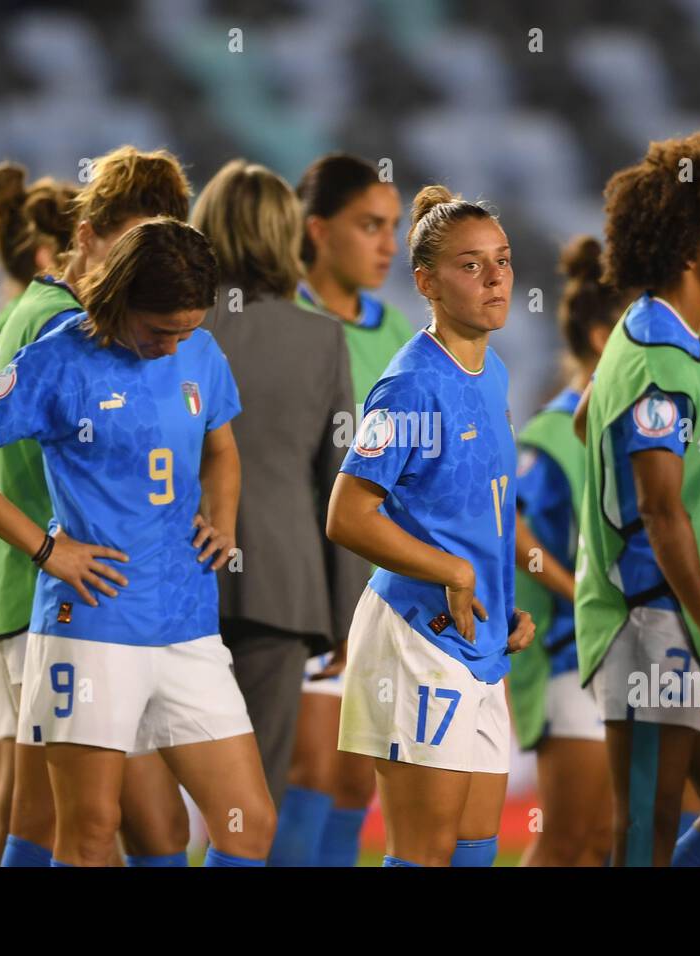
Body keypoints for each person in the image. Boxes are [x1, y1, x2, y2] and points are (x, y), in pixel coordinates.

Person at [0, 218, 276, 867]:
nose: (173, 347)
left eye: (186, 329)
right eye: (159, 330)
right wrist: (46, 550)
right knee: (85, 833)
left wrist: (222, 518)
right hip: (91, 627)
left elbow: (222, 449)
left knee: (248, 823)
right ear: (117, 298)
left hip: (188, 626)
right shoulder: (57, 358)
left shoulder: (200, 351)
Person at [0, 145, 194, 866]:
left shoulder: (51, 312)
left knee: (82, 821)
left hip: (59, 599)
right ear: (87, 235)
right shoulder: (64, 326)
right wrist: (47, 549)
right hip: (62, 603)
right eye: (135, 246)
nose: (148, 270)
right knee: (69, 825)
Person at [327, 185, 535, 867]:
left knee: (475, 849)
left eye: (502, 260)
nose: (496, 277)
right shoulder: (411, 384)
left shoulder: (492, 370)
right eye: (472, 265)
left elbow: (477, 513)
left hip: (477, 638)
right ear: (427, 283)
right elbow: (347, 514)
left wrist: (505, 603)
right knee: (422, 854)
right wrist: (450, 571)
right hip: (417, 639)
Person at [575, 123, 700, 867]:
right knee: (643, 834)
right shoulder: (658, 354)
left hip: (685, 621)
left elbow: (591, 412)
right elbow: (659, 508)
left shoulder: (668, 338)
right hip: (653, 624)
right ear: (691, 247)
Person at [192, 159, 367, 811]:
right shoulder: (322, 339)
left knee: (144, 787)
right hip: (283, 588)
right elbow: (339, 481)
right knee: (252, 791)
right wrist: (349, 614)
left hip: (174, 573)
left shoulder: (175, 327)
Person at [270, 152, 412, 866]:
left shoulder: (401, 342)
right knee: (310, 770)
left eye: (394, 227)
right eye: (370, 225)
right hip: (297, 579)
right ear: (318, 230)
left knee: (358, 777)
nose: (389, 243)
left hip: (376, 588)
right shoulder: (278, 321)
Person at [0, 160, 76, 868]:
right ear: (51, 254)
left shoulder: (3, 326)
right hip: (30, 571)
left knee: (5, 792)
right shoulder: (53, 324)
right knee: (48, 803)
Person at [510, 236, 625, 866]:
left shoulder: (628, 425)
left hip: (622, 656)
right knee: (566, 842)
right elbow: (517, 535)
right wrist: (579, 590)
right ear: (607, 337)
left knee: (604, 840)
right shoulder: (553, 429)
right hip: (569, 658)